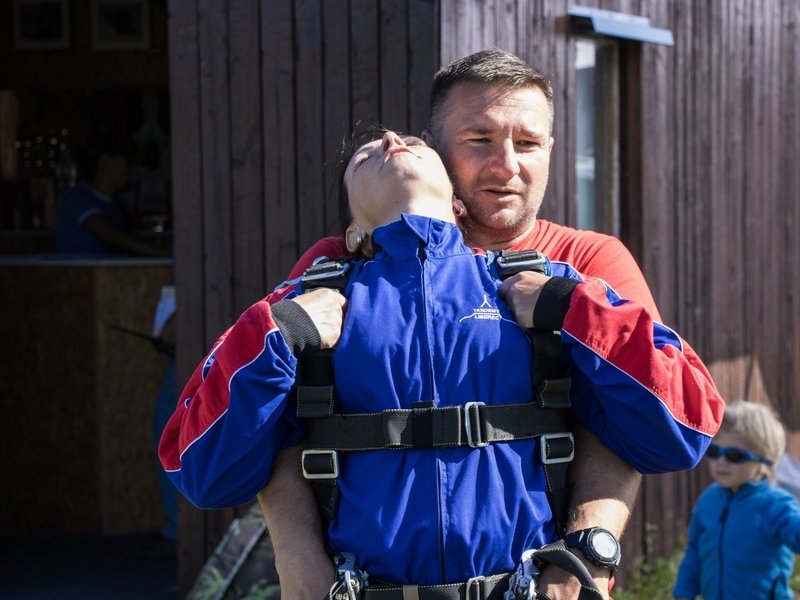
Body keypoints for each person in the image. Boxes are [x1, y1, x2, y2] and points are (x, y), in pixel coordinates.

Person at [159, 128, 724, 599]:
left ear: (458, 205)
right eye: (364, 155)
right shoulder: (307, 304)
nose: (389, 139)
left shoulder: (545, 287)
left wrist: (571, 307)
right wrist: (279, 331)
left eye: (412, 141)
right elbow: (202, 471)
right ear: (353, 233)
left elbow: (683, 428)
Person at [673, 400, 800, 600]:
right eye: (714, 451)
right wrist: (683, 593)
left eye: (735, 455)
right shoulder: (708, 501)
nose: (721, 461)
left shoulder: (776, 506)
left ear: (764, 461)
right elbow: (695, 552)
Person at [55, 138, 168, 257]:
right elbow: (110, 235)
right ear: (105, 161)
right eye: (127, 163)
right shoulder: (77, 198)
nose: (132, 171)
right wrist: (160, 253)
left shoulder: (115, 208)